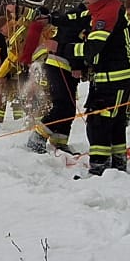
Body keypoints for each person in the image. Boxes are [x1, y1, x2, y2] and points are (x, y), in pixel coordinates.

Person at [80, 0, 130, 174]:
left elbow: (93, 48)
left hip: (116, 79)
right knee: (113, 122)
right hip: (110, 78)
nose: (85, 4)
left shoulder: (107, 14)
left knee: (100, 121)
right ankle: (117, 163)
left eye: (88, 0)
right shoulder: (106, 10)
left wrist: (63, 48)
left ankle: (99, 166)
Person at [29, 11, 84, 154]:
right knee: (62, 105)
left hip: (65, 68)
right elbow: (73, 43)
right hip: (60, 65)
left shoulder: (79, 20)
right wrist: (77, 65)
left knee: (69, 108)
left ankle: (59, 141)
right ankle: (38, 136)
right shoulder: (78, 22)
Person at [0, 3, 37, 119]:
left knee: (27, 96)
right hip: (20, 70)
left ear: (5, 25)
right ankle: (18, 120)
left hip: (29, 67)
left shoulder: (18, 30)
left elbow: (12, 58)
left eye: (1, 29)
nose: (2, 32)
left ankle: (27, 121)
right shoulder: (12, 36)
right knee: (19, 97)